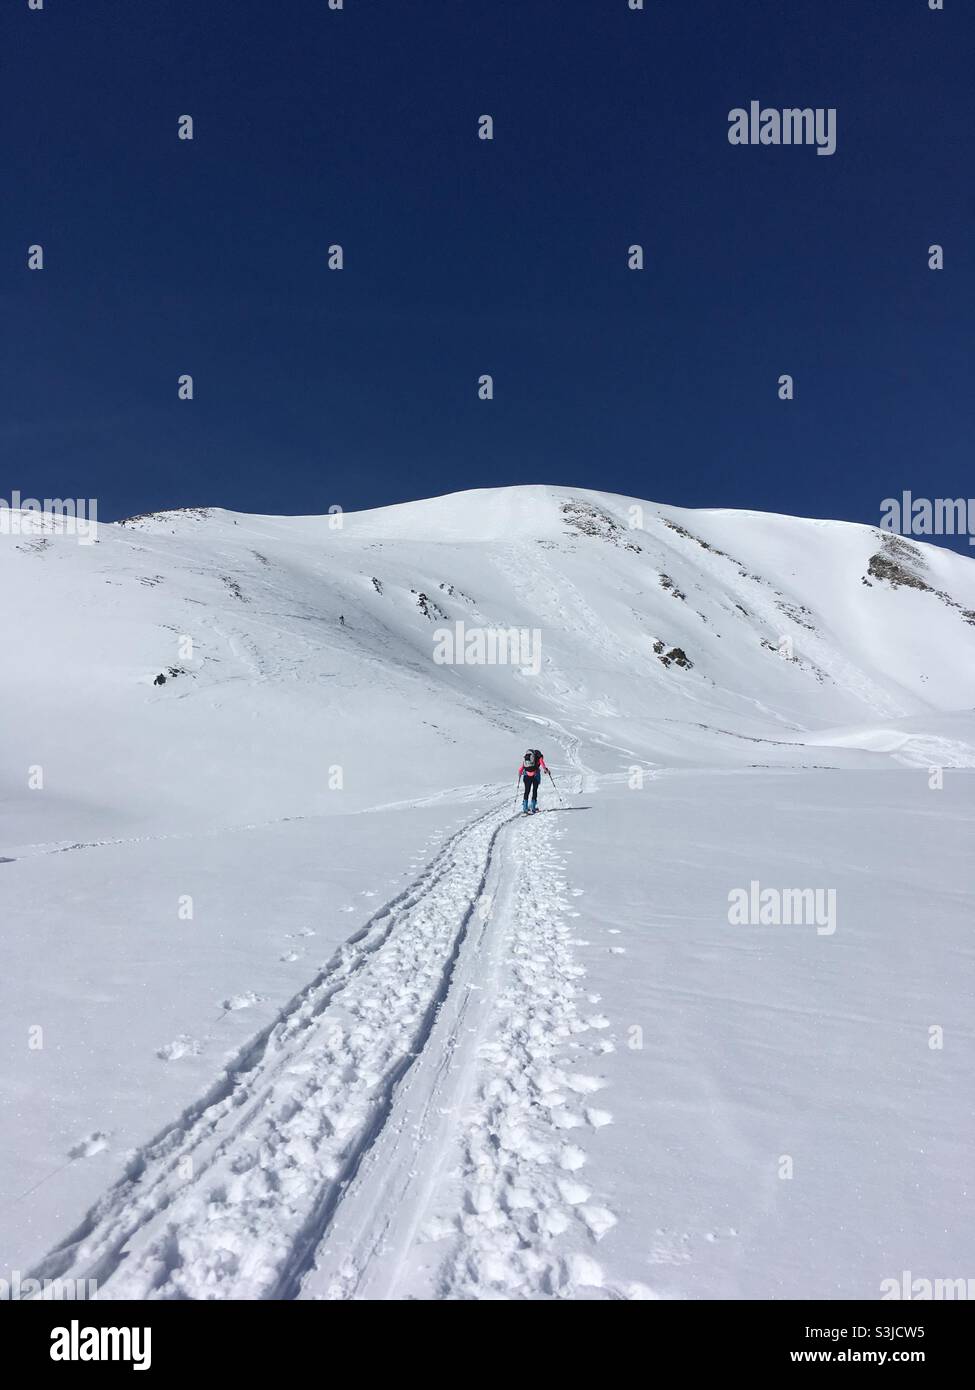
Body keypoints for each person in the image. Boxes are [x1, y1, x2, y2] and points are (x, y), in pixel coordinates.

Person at [518, 748, 547, 814]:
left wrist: (520, 773)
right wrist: (546, 770)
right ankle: (533, 808)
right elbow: (542, 764)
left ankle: (525, 808)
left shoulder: (527, 759)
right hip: (535, 775)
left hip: (526, 775)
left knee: (527, 791)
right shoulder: (539, 757)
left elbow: (521, 768)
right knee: (534, 790)